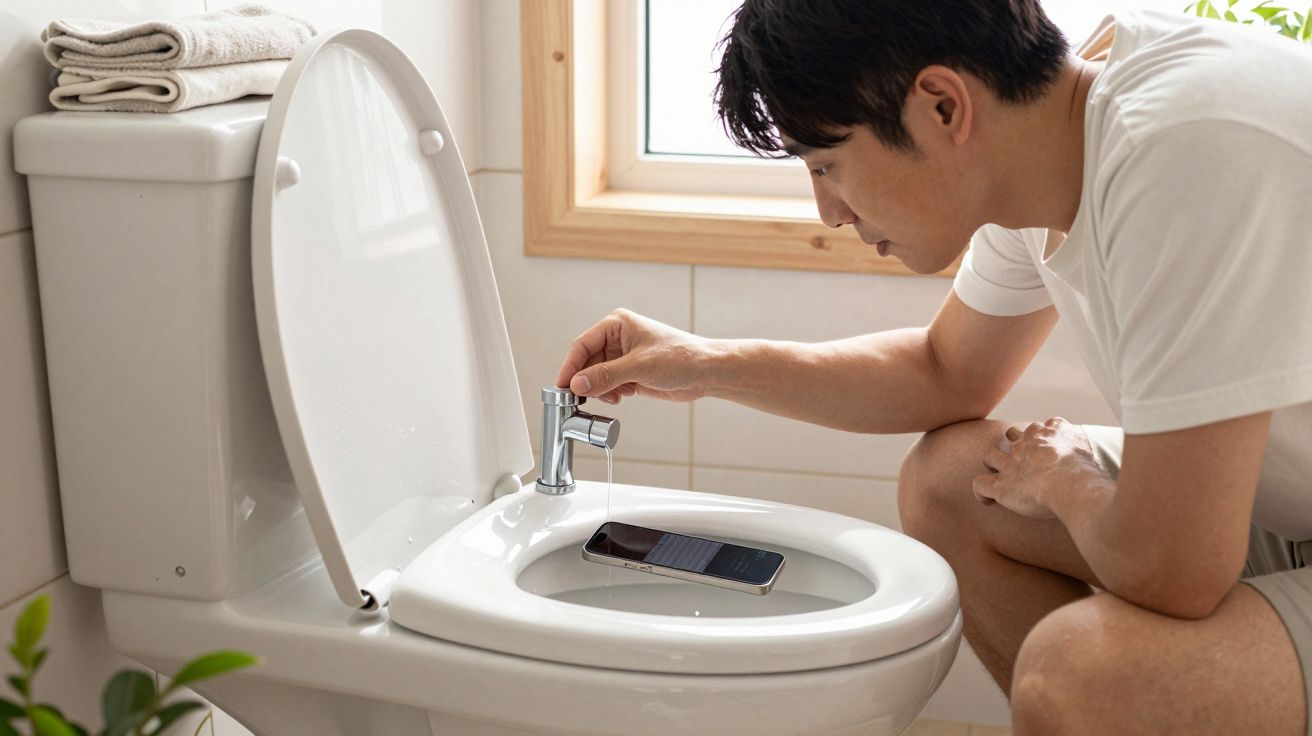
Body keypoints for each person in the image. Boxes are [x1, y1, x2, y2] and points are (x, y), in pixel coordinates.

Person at [553, 1, 1312, 733]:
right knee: (953, 484)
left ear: (943, 107)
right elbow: (944, 370)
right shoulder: (1056, 142)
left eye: (828, 164)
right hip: (1288, 513)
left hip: (1244, 533)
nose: (830, 211)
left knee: (1075, 676)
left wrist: (1066, 480)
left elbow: (1174, 568)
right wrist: (701, 362)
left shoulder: (1183, 150)